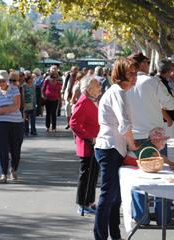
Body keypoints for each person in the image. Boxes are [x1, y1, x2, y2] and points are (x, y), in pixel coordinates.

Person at [93, 59, 139, 240]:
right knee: (108, 195)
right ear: (120, 75)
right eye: (130, 74)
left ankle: (114, 234)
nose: (134, 77)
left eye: (135, 73)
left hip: (113, 148)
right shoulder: (118, 92)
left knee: (115, 197)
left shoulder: (119, 92)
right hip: (110, 148)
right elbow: (124, 125)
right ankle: (101, 236)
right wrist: (134, 145)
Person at [69, 76, 101, 215]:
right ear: (89, 89)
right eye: (96, 86)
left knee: (92, 176)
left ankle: (89, 202)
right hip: (87, 145)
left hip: (94, 144)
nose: (99, 88)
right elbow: (74, 123)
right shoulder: (83, 101)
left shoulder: (92, 101)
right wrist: (89, 137)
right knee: (86, 176)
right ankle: (82, 204)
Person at [127, 52, 174, 141]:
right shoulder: (153, 81)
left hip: (132, 136)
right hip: (154, 136)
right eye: (148, 62)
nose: (149, 65)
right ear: (142, 64)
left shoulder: (124, 84)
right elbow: (172, 105)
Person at [0, 70, 24, 183]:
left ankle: (13, 169)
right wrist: (6, 108)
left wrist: (2, 109)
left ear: (7, 81)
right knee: (3, 149)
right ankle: (3, 173)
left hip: (16, 123)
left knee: (16, 150)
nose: (1, 83)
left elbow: (17, 106)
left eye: (3, 81)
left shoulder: (14, 89)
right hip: (2, 124)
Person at [42, 68, 62, 132]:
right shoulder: (47, 81)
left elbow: (59, 93)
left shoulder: (58, 84)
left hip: (55, 100)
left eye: (55, 77)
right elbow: (43, 89)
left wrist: (60, 101)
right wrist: (43, 96)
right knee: (48, 113)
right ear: (50, 77)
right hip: (47, 99)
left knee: (54, 114)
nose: (54, 78)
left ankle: (54, 127)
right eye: (52, 77)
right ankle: (47, 127)